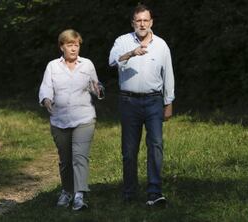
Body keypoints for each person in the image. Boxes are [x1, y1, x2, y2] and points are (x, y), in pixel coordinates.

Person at [109, 4, 175, 207]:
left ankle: (154, 193)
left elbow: (168, 74)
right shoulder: (122, 41)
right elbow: (112, 61)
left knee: (155, 145)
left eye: (146, 20)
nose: (142, 24)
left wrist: (168, 102)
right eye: (138, 20)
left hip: (154, 101)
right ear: (133, 23)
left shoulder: (161, 45)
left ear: (151, 22)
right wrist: (131, 53)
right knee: (129, 150)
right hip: (129, 101)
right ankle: (129, 192)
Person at [39, 29, 103, 211]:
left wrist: (98, 90)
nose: (74, 48)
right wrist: (46, 100)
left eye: (76, 45)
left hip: (84, 118)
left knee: (79, 157)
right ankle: (67, 191)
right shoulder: (52, 66)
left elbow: (95, 87)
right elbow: (46, 88)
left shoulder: (87, 64)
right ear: (62, 47)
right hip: (59, 120)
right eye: (70, 45)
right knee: (65, 160)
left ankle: (79, 196)